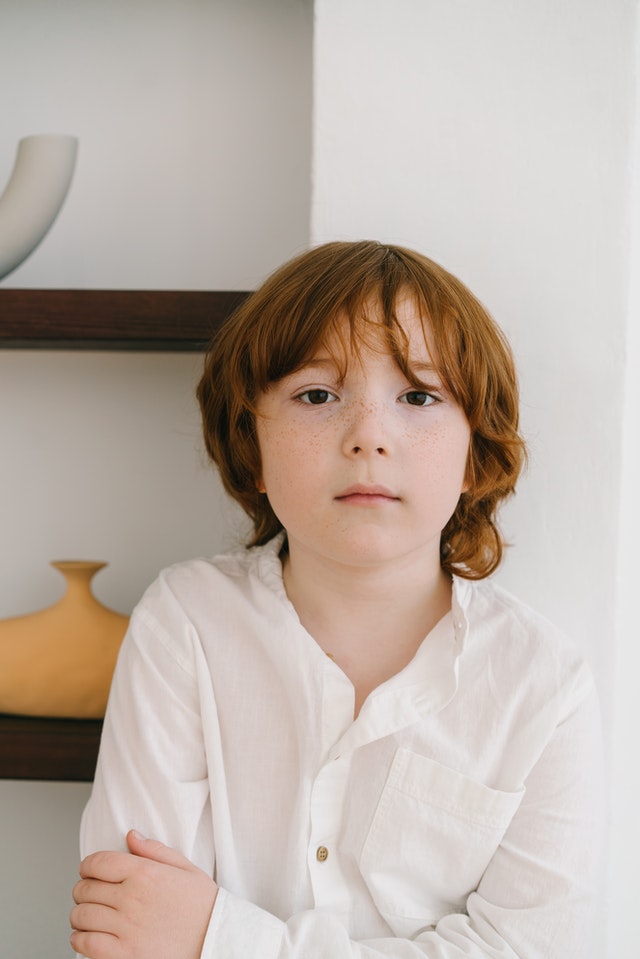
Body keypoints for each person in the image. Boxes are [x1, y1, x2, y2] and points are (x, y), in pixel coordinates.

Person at [70, 240, 604, 959]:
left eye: (418, 396)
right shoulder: (186, 622)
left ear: (475, 452)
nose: (369, 437)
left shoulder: (543, 684)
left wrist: (218, 937)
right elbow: (126, 924)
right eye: (318, 395)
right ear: (249, 444)